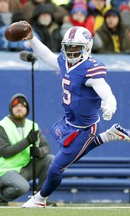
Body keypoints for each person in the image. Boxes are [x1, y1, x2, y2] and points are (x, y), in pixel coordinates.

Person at [20, 22, 130, 208]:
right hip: (69, 122)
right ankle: (110, 135)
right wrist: (32, 39)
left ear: (87, 48)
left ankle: (40, 200)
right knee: (70, 155)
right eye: (68, 48)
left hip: (85, 128)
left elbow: (104, 88)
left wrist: (110, 103)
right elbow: (47, 55)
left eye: (76, 48)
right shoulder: (65, 62)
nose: (71, 52)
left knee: (56, 166)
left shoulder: (90, 68)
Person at [0, 93, 55, 206]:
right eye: (16, 106)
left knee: (50, 159)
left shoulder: (32, 125)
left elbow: (46, 147)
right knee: (22, 187)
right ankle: (1, 195)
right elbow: (5, 152)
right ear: (11, 108)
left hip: (23, 167)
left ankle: (40, 198)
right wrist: (27, 141)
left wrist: (39, 152)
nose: (19, 108)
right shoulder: (2, 126)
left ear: (27, 109)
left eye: (22, 106)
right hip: (4, 170)